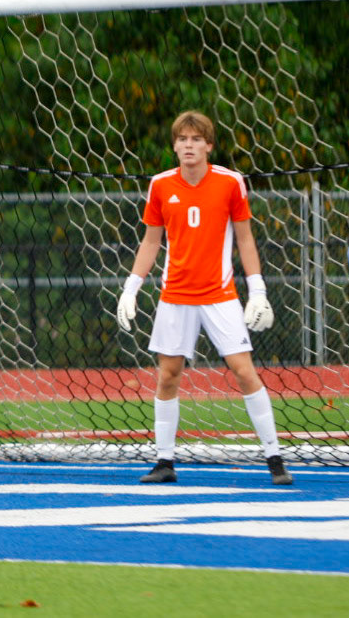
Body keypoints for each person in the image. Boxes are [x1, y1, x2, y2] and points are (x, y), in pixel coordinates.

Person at [116, 110, 292, 486]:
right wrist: (131, 287)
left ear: (209, 145)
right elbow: (151, 242)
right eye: (182, 139)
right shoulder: (160, 185)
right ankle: (164, 461)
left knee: (244, 371)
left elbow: (245, 238)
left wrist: (258, 291)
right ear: (175, 146)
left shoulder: (230, 182)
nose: (189, 145)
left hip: (220, 295)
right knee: (168, 375)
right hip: (175, 296)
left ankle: (275, 459)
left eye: (196, 139)